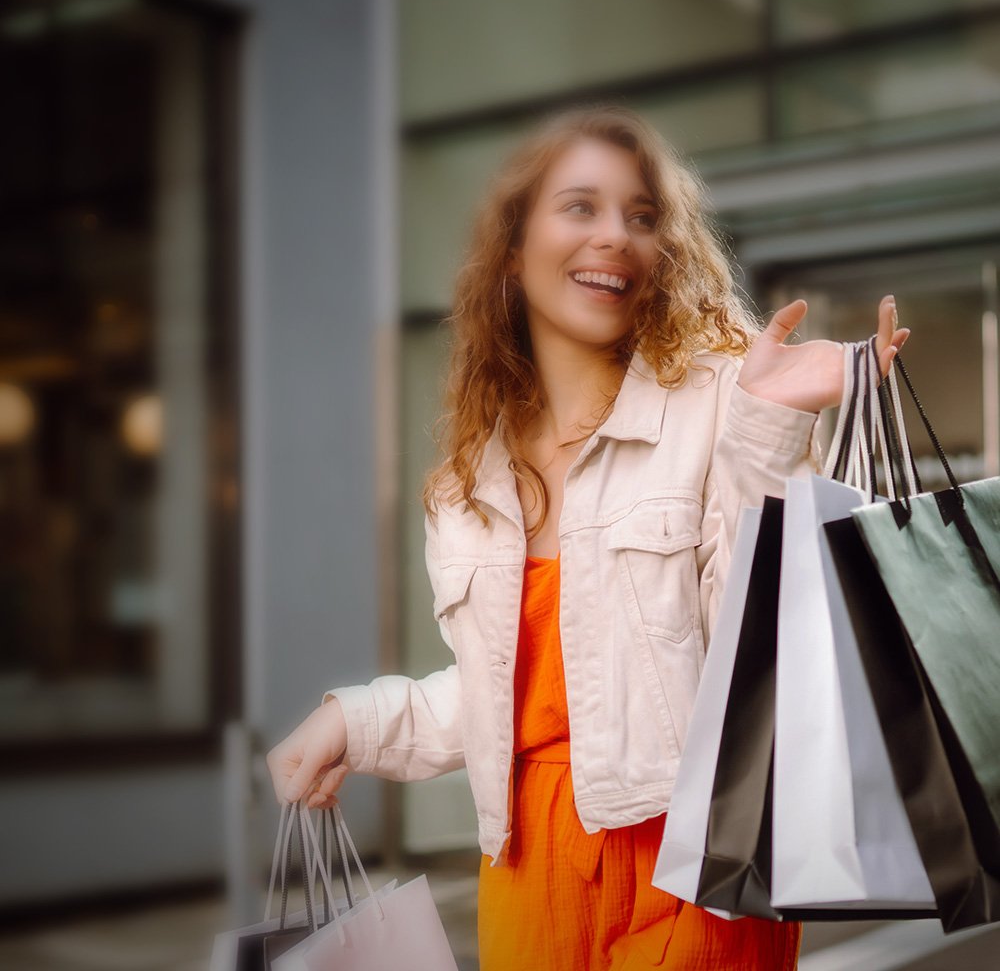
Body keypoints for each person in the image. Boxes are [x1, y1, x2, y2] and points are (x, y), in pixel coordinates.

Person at [266, 103, 911, 969]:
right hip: (527, 874)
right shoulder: (467, 482)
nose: (615, 235)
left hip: (695, 863)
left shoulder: (721, 402)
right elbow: (516, 693)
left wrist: (767, 430)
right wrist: (358, 720)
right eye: (581, 207)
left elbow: (766, 653)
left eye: (641, 217)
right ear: (512, 246)